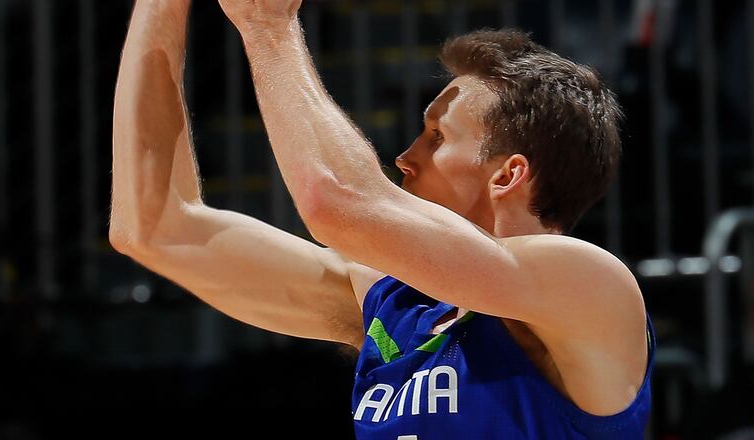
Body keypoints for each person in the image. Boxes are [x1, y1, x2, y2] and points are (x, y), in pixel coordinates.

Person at [110, 1, 654, 438]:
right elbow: (155, 227)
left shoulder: (589, 286)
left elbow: (339, 203)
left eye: (437, 137)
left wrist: (267, 26)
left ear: (507, 175)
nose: (404, 157)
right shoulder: (396, 305)